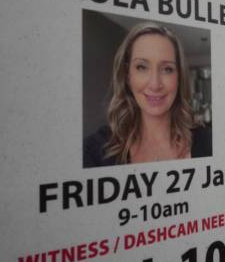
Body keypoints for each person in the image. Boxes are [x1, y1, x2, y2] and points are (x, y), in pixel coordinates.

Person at [84, 23, 211, 167]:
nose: (155, 84)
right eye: (142, 67)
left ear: (179, 77)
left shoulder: (208, 142)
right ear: (127, 76)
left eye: (167, 69)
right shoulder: (94, 151)